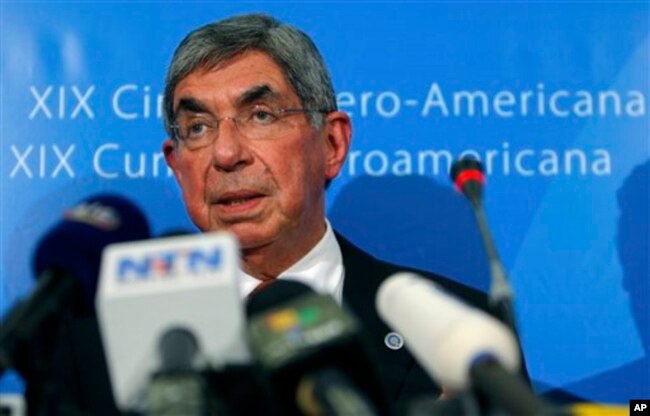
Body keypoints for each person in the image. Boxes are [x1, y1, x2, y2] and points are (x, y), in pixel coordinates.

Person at [161, 12, 494, 410]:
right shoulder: (100, 342)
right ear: (177, 166)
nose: (226, 153)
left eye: (261, 115)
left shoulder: (460, 330)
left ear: (332, 144)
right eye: (197, 127)